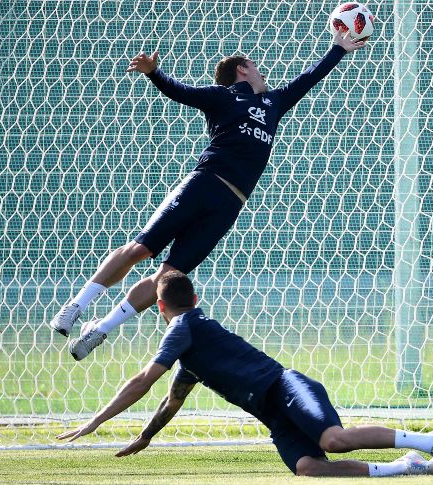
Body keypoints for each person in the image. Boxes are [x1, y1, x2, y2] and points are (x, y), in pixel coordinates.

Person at [50, 31, 367, 360]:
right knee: (141, 249)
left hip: (230, 204)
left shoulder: (274, 103)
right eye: (256, 67)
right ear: (242, 69)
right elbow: (182, 92)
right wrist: (154, 73)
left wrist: (338, 48)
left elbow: (309, 78)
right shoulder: (223, 97)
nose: (263, 73)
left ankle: (100, 329)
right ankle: (76, 306)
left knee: (168, 277)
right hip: (203, 184)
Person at [57, 270, 433, 477]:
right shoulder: (190, 351)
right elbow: (171, 400)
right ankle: (408, 465)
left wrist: (96, 421)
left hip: (286, 387)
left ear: (160, 308)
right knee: (309, 467)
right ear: (195, 297)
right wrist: (146, 436)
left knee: (333, 440)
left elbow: (143, 380)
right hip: (273, 414)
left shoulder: (183, 327)